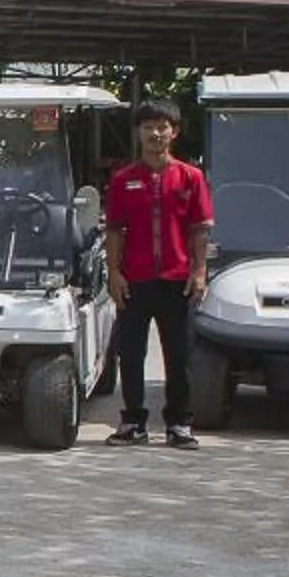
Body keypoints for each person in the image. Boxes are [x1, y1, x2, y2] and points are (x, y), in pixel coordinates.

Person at [103, 98, 212, 447]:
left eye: (161, 127)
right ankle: (133, 422)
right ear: (138, 132)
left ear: (174, 132)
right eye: (147, 127)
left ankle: (179, 424)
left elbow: (199, 229)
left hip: (177, 281)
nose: (154, 134)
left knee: (179, 355)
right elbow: (114, 230)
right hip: (134, 280)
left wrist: (199, 272)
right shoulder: (123, 179)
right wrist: (113, 273)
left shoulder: (191, 177)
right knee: (131, 353)